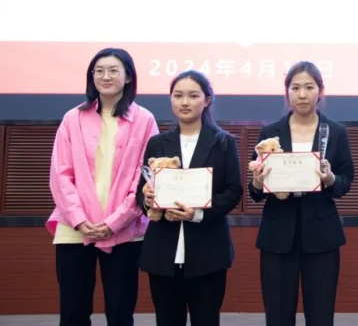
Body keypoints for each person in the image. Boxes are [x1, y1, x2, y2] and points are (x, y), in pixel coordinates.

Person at [47, 47, 158, 326]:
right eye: (99, 71)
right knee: (73, 312)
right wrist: (79, 219)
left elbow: (145, 177)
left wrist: (114, 222)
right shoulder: (72, 118)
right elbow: (60, 175)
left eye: (113, 70)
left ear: (129, 77)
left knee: (120, 313)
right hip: (74, 228)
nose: (105, 76)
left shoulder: (145, 119)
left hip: (124, 230)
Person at [249, 61, 355, 326]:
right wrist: (258, 182)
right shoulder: (269, 132)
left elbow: (346, 181)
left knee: (320, 315)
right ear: (287, 92)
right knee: (278, 315)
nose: (302, 94)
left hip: (321, 234)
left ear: (320, 91)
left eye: (309, 87)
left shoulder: (335, 132)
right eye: (295, 88)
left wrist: (330, 179)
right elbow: (255, 191)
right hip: (277, 234)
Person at [137, 70, 242, 326]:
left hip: (208, 252)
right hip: (163, 252)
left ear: (207, 100)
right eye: (178, 95)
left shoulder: (223, 142)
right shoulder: (157, 143)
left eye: (193, 96)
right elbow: (143, 189)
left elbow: (233, 190)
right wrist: (146, 198)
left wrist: (198, 214)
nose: (185, 102)